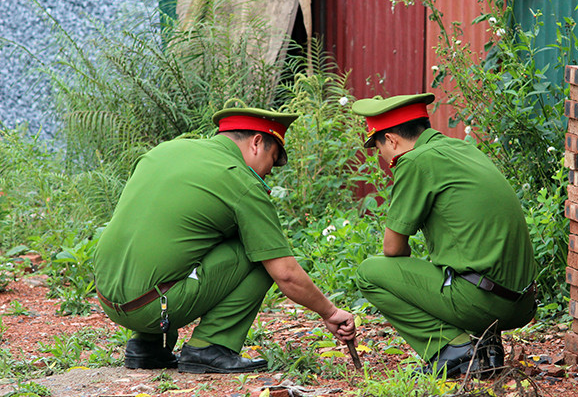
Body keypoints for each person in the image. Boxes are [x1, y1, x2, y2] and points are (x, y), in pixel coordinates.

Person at [94, 102, 355, 373]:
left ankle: (149, 347)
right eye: (273, 158)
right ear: (256, 143)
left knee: (188, 235)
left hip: (107, 295)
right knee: (261, 255)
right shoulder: (242, 181)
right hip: (151, 307)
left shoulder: (164, 151)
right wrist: (330, 312)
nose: (270, 171)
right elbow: (286, 274)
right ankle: (211, 346)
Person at [351, 93, 537, 377]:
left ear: (391, 140)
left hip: (483, 303)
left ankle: (453, 349)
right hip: (522, 304)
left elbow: (393, 248)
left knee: (369, 272)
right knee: (459, 266)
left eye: (378, 150)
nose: (382, 159)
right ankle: (486, 346)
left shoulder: (415, 161)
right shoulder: (463, 150)